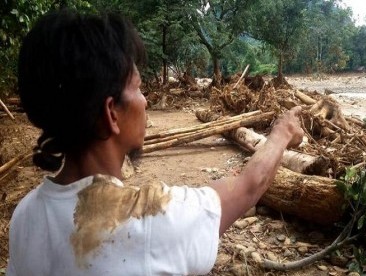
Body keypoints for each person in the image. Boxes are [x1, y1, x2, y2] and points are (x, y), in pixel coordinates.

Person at [7, 9, 304, 276]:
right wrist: (282, 131)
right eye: (137, 88)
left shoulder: (25, 215)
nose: (145, 100)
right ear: (111, 113)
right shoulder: (150, 222)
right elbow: (248, 186)